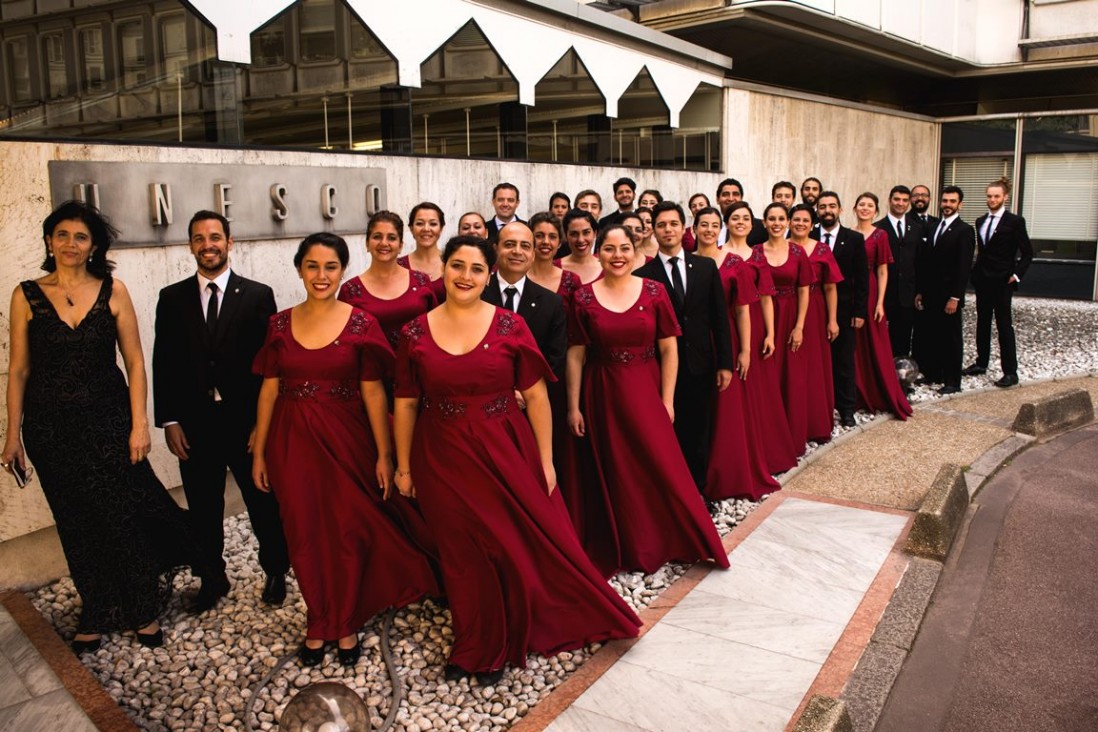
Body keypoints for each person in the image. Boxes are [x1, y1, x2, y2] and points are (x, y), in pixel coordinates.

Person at [393, 235, 641, 682]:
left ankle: (515, 625)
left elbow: (536, 397)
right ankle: (476, 643)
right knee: (461, 551)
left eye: (475, 269)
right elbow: (407, 402)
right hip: (441, 454)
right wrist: (404, 465)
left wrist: (545, 461)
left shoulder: (510, 326)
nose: (465, 276)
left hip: (504, 449)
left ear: (488, 275)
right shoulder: (415, 331)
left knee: (505, 542)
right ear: (443, 270)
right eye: (457, 266)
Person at [4, 201, 208, 653]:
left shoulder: (113, 291)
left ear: (94, 244)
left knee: (123, 513)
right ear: (48, 241)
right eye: (62, 235)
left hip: (110, 423)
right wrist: (11, 435)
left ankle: (141, 607)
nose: (70, 244)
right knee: (76, 520)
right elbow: (18, 370)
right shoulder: (26, 295)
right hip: (50, 429)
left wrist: (140, 425)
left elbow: (135, 362)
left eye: (80, 237)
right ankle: (96, 608)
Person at [251, 233, 439, 668]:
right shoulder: (279, 324)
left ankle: (347, 619)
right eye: (312, 266)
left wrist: (384, 454)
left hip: (347, 441)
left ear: (342, 271)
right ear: (299, 269)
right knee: (303, 534)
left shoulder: (361, 324)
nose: (321, 276)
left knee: (347, 532)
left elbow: (374, 394)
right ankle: (320, 619)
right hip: (292, 444)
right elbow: (268, 391)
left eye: (331, 267)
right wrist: (259, 452)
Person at [567, 225, 730, 575]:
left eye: (624, 248)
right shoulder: (582, 297)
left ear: (635, 248)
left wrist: (667, 400)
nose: (618, 256)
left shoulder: (654, 291)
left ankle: (680, 535)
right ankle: (630, 541)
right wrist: (573, 405)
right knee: (618, 468)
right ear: (599, 252)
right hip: (603, 391)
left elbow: (669, 348)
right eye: (609, 249)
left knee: (660, 463)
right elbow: (576, 354)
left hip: (645, 388)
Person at [153, 210, 290, 614]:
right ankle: (212, 577)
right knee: (203, 506)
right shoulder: (171, 298)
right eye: (199, 238)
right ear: (190, 244)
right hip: (194, 424)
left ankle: (276, 570)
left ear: (230, 242)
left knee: (263, 501)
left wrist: (261, 426)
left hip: (244, 423)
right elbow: (164, 362)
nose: (207, 244)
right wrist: (170, 420)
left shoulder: (257, 295)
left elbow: (270, 366)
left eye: (215, 237)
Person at [635, 202, 734, 493]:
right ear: (653, 230)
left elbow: (719, 318)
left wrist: (725, 362)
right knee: (667, 433)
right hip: (662, 368)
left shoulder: (705, 267)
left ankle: (699, 492)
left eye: (673, 224)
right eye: (662, 225)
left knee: (699, 433)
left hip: (701, 363)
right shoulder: (644, 275)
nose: (668, 230)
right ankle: (672, 494)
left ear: (684, 228)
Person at [692, 207, 781, 500]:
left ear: (721, 229)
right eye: (702, 224)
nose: (708, 229)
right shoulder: (685, 262)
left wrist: (744, 350)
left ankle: (729, 471)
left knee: (728, 406)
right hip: (694, 341)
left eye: (713, 225)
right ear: (693, 229)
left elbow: (743, 309)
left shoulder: (734, 263)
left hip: (727, 336)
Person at [724, 202, 798, 474]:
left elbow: (767, 298)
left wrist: (771, 333)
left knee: (759, 388)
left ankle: (765, 451)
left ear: (753, 224)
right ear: (727, 222)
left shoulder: (757, 256)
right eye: (735, 218)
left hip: (754, 323)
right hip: (726, 325)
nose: (740, 222)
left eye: (745, 218)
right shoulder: (718, 254)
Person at [752, 203, 812, 456]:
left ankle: (793, 436)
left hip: (789, 317)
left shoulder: (798, 252)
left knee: (791, 377)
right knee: (767, 377)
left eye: (781, 219)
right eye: (771, 219)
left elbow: (804, 289)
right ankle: (768, 437)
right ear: (764, 223)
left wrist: (799, 326)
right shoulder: (755, 252)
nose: (776, 223)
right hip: (762, 318)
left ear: (787, 222)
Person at [963, 177, 1033, 389]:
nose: (992, 199)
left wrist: (1017, 274)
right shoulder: (980, 221)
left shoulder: (1015, 222)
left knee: (1004, 325)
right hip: (983, 280)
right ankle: (981, 362)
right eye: (989, 196)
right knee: (982, 322)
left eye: (996, 196)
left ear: (1005, 197)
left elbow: (1028, 253)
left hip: (1003, 281)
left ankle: (1010, 372)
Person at [851, 193, 913, 419]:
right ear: (854, 208)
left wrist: (880, 303)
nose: (865, 208)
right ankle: (857, 391)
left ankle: (879, 391)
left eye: (870, 205)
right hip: (850, 291)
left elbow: (883, 270)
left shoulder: (880, 235)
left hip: (870, 290)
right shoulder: (848, 233)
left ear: (876, 211)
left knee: (874, 341)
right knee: (854, 344)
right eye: (861, 205)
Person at [339, 211, 438, 351]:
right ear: (367, 244)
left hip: (417, 367)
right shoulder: (350, 290)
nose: (384, 243)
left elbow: (436, 327)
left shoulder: (421, 281)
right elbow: (344, 342)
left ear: (400, 246)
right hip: (372, 370)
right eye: (377, 237)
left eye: (391, 238)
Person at [482, 221, 567, 381]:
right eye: (509, 244)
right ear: (495, 249)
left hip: (535, 398)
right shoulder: (477, 295)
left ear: (533, 255)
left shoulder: (551, 303)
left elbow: (555, 358)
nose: (517, 251)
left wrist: (527, 392)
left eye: (525, 246)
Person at [814, 192, 868, 428]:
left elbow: (862, 278)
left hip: (845, 311)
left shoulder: (854, 239)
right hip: (813, 309)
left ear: (840, 209)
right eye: (823, 206)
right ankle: (819, 408)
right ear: (817, 210)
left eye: (832, 206)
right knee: (817, 362)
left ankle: (847, 409)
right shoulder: (808, 235)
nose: (827, 210)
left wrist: (860, 311)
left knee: (844, 361)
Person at [915, 186, 975, 394]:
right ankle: (934, 373)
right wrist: (921, 291)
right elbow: (926, 262)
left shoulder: (965, 231)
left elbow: (964, 267)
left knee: (951, 338)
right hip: (931, 293)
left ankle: (952, 381)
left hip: (949, 295)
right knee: (932, 335)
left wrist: (956, 297)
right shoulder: (933, 227)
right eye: (945, 201)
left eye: (952, 201)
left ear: (960, 204)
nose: (947, 205)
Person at [790, 203, 841, 441]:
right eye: (796, 219)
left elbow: (830, 287)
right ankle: (791, 421)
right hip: (787, 311)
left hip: (816, 310)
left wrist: (832, 320)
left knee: (814, 367)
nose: (800, 224)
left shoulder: (821, 250)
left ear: (812, 225)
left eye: (805, 220)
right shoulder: (780, 248)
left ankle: (815, 423)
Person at [875, 186, 923, 358]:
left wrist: (919, 291)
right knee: (881, 338)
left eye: (904, 200)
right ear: (889, 200)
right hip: (884, 293)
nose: (900, 203)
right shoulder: (878, 228)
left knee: (903, 338)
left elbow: (919, 261)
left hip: (907, 294)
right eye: (896, 199)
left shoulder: (916, 228)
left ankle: (901, 378)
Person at [527, 212, 582, 301]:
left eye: (552, 237)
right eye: (539, 236)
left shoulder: (572, 282)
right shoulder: (517, 276)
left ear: (559, 243)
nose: (546, 242)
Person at [397, 202, 446, 301]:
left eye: (433, 224)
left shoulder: (452, 262)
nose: (426, 229)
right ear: (411, 228)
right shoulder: (398, 266)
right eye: (420, 223)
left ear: (441, 228)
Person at [559, 209, 604, 284]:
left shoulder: (607, 267)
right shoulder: (554, 267)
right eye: (574, 234)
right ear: (566, 236)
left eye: (586, 232)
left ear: (595, 233)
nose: (580, 240)